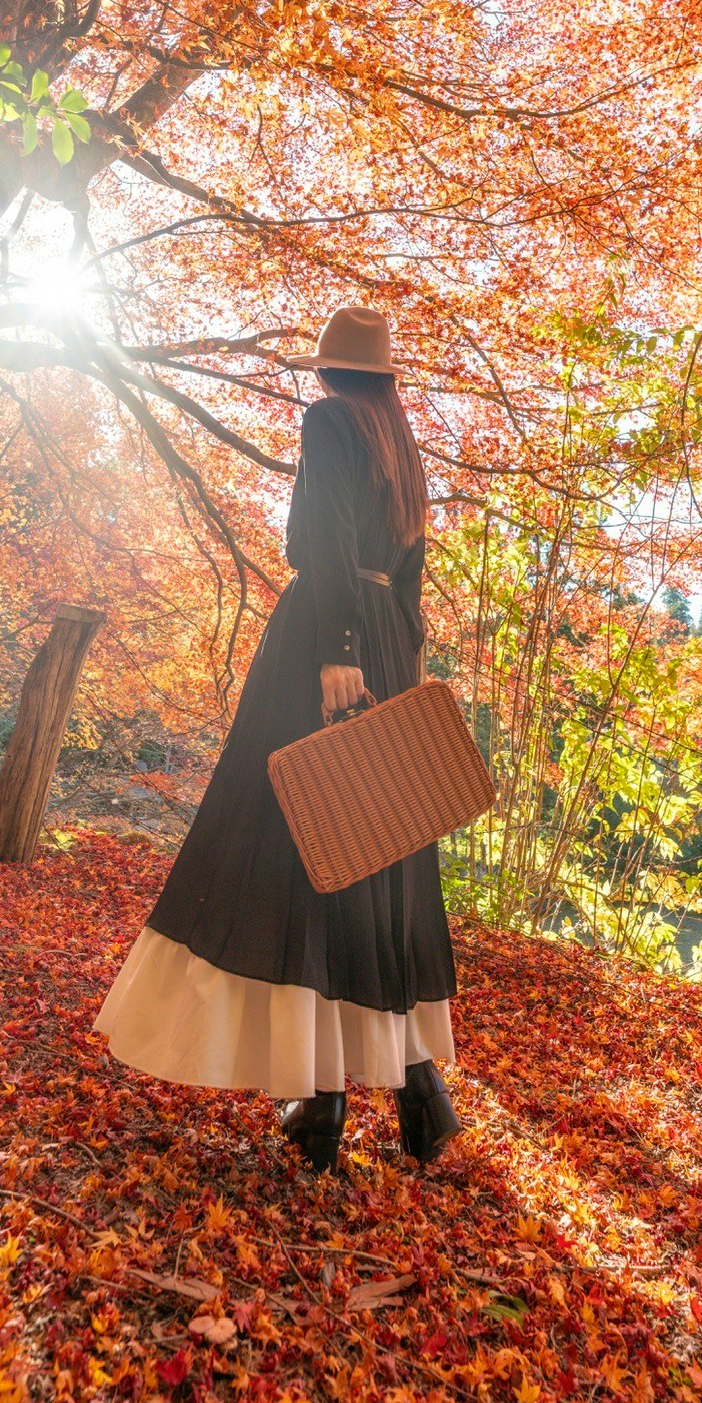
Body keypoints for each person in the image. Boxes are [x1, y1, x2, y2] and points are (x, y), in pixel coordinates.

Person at [94, 306, 460, 1171]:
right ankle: (412, 1100)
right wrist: (388, 666)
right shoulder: (403, 448)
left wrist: (336, 652)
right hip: (386, 647)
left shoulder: (330, 420)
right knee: (371, 857)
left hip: (323, 641)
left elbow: (320, 538)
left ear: (334, 373)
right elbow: (408, 581)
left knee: (287, 844)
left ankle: (326, 1102)